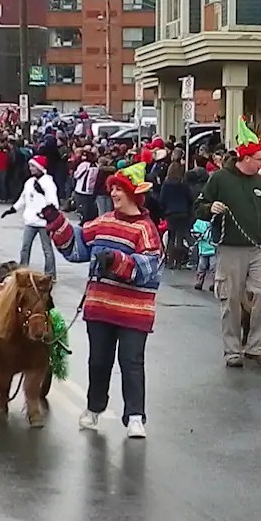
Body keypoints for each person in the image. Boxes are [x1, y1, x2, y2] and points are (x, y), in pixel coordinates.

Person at [63, 164, 161, 438]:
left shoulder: (146, 229)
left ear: (132, 194)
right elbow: (76, 248)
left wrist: (117, 262)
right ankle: (94, 409)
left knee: (131, 362)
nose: (114, 193)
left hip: (134, 311)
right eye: (113, 189)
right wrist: (55, 221)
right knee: (98, 361)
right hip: (101, 307)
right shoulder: (104, 222)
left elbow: (150, 269)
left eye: (119, 188)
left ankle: (135, 416)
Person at [201, 135, 261, 367]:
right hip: (230, 248)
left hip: (259, 247)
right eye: (259, 158)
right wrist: (211, 208)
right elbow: (198, 207)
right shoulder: (219, 179)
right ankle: (232, 350)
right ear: (246, 158)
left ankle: (257, 346)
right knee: (230, 298)